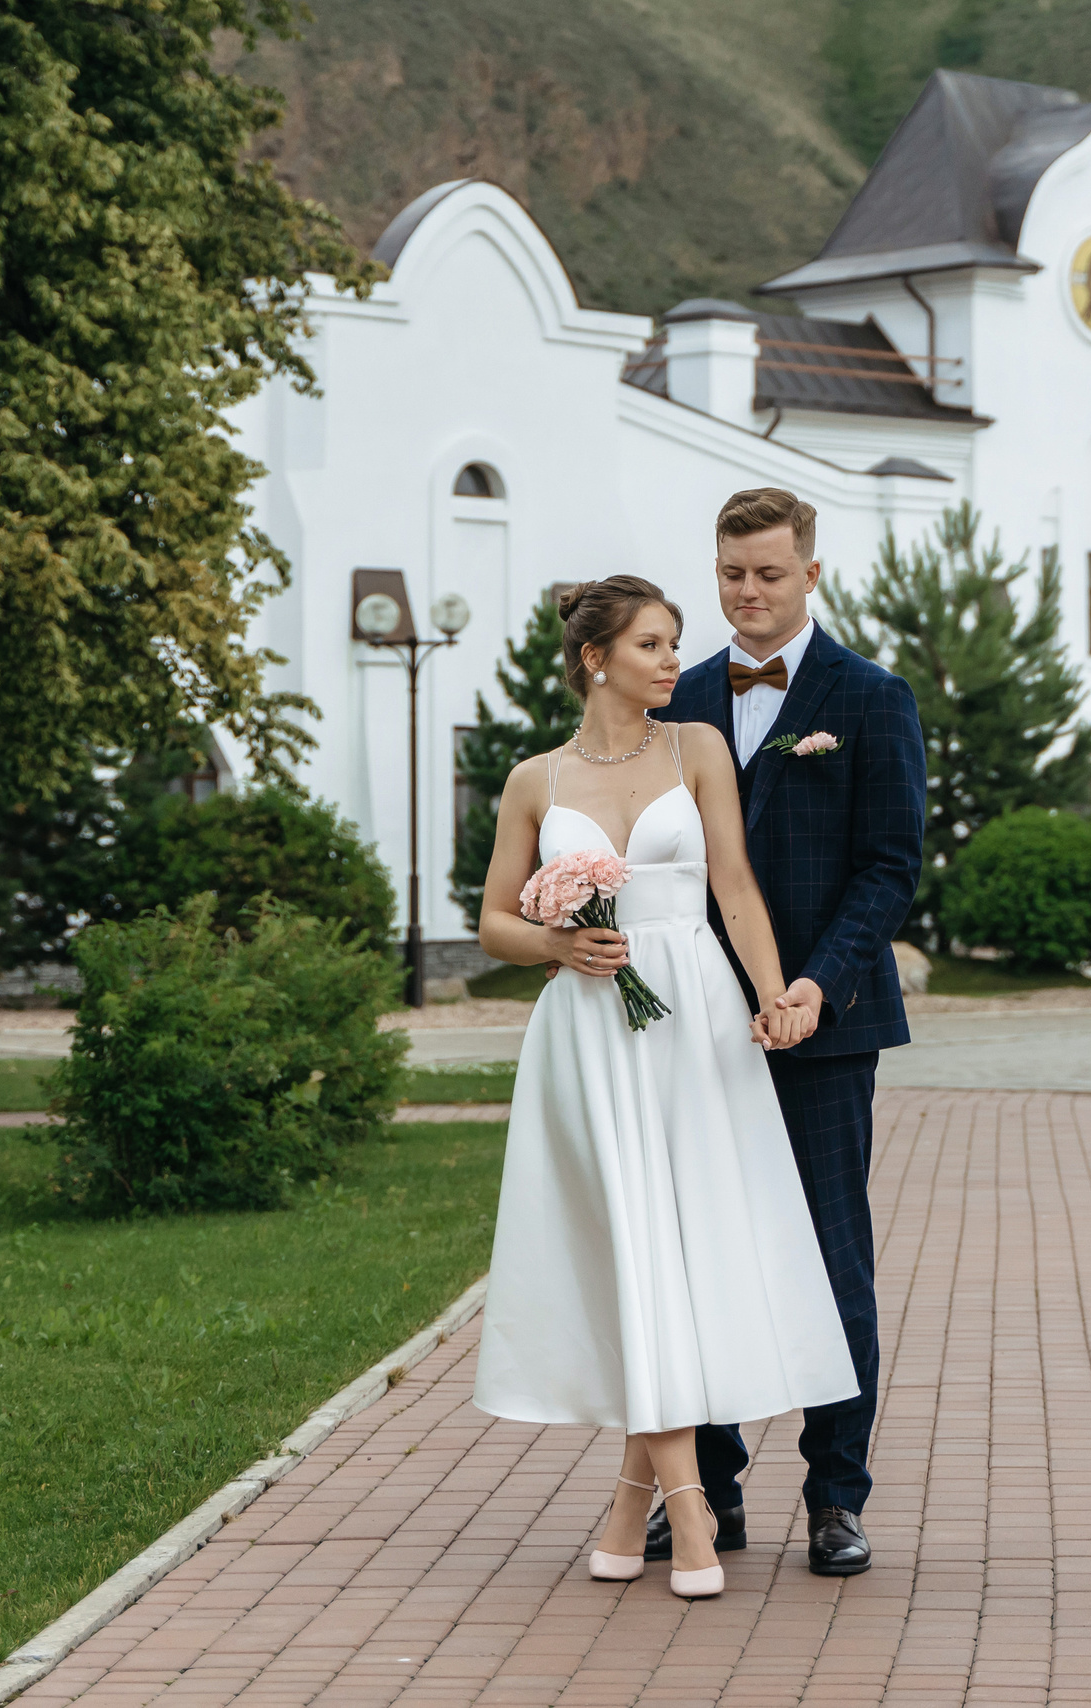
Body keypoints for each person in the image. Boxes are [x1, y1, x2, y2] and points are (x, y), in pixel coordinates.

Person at [472, 574, 861, 1600]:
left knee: (682, 1257)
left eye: (672, 642)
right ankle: (688, 1516)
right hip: (592, 1032)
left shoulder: (698, 750)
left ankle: (628, 1514)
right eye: (650, 643)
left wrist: (777, 999)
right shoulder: (532, 780)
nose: (669, 659)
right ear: (595, 658)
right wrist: (560, 938)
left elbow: (733, 886)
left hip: (691, 1020)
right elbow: (493, 926)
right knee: (638, 1254)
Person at [652, 488, 925, 1577]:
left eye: (767, 573)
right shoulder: (670, 697)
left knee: (828, 1257)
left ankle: (836, 1495)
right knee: (698, 1253)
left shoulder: (870, 697)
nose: (747, 593)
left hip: (825, 1022)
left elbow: (889, 866)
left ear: (811, 572)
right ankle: (706, 1488)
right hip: (687, 1026)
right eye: (730, 574)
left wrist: (816, 981)